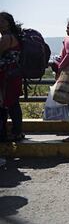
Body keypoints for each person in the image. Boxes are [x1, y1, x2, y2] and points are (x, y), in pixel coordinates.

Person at [0, 12, 23, 142]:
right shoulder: (14, 36)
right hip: (14, 74)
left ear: (8, 22)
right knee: (13, 103)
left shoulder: (6, 38)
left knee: (7, 104)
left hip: (7, 76)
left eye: (2, 21)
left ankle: (11, 132)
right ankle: (17, 132)